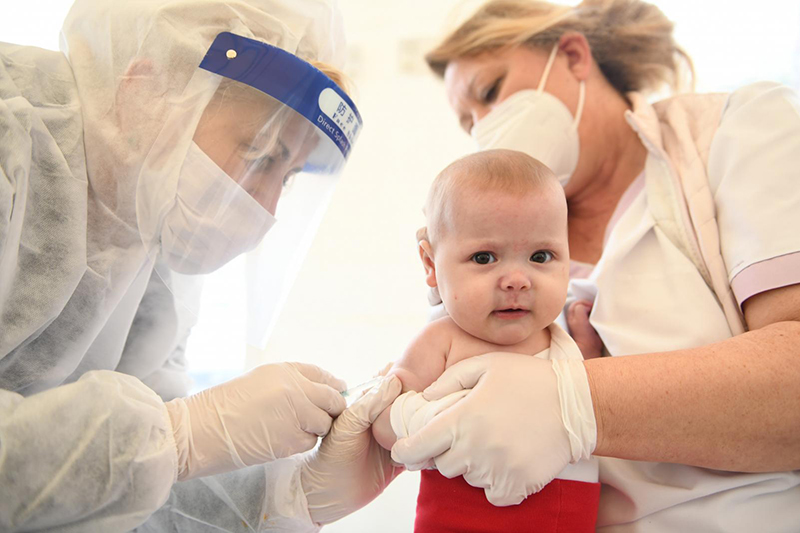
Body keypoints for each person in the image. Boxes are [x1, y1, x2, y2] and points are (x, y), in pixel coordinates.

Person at [388, 0, 800, 531]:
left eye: (491, 92)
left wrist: (577, 402)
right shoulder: (488, 247)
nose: (486, 127)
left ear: (575, 56)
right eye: (469, 123)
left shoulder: (732, 134)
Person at [0, 0, 402, 531]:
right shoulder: (13, 145)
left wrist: (289, 494)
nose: (266, 208)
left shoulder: (150, 249)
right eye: (259, 154)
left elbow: (111, 495)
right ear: (144, 91)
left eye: (288, 177)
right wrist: (181, 433)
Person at [372, 149, 601, 532]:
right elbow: (384, 422)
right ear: (430, 265)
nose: (516, 279)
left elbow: (594, 401)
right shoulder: (442, 341)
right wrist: (423, 417)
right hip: (461, 515)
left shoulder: (565, 339)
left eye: (541, 256)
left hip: (567, 513)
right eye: (484, 258)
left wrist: (590, 355)